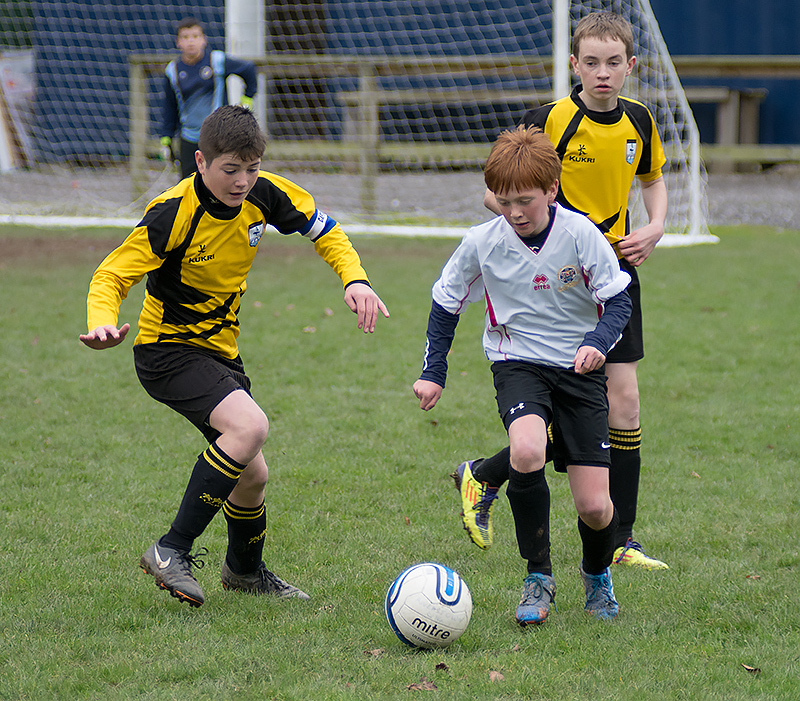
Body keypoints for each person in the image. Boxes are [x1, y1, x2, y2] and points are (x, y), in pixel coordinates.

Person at [80, 105, 389, 608]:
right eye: (230, 169)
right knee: (249, 428)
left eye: (252, 168)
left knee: (253, 474)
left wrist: (355, 279)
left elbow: (325, 230)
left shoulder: (266, 193)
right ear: (200, 161)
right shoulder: (172, 212)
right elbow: (111, 274)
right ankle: (170, 548)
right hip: (168, 350)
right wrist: (100, 320)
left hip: (221, 352)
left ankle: (244, 573)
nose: (243, 181)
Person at [457, 11, 669, 571]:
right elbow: (495, 193)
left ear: (630, 67)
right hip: (555, 284)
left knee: (623, 400)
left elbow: (653, 181)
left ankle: (622, 537)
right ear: (575, 64)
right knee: (563, 410)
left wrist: (656, 225)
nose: (603, 73)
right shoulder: (548, 120)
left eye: (614, 63)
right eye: (591, 62)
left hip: (615, 274)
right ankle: (489, 476)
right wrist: (558, 227)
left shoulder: (641, 122)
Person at [413, 125, 632, 624]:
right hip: (517, 363)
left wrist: (597, 343)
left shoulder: (581, 235)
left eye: (526, 202)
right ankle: (538, 577)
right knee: (529, 449)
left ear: (552, 191)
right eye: (505, 201)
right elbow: (445, 301)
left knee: (596, 508)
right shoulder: (483, 242)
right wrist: (434, 371)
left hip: (579, 371)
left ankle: (597, 575)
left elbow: (618, 300)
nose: (515, 213)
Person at [159, 16, 258, 179]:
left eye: (195, 36)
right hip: (189, 139)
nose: (191, 42)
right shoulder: (172, 70)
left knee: (221, 184)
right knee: (189, 186)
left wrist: (246, 102)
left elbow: (248, 69)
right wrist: (166, 138)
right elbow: (170, 107)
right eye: (185, 37)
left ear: (204, 40)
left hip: (218, 138)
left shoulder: (216, 61)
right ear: (178, 42)